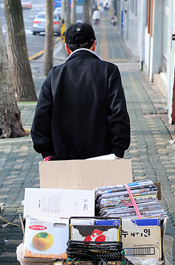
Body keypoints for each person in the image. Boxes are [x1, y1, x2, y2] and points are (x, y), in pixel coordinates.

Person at [31, 23, 130, 161]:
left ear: (67, 48)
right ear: (94, 45)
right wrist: (118, 150)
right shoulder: (109, 71)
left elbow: (41, 117)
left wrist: (46, 152)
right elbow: (118, 113)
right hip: (105, 158)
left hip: (62, 159)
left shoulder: (55, 74)